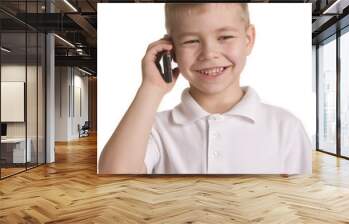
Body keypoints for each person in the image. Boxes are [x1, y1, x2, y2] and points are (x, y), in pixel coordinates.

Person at [98, 3, 312, 174]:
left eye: (225, 37)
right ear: (170, 50)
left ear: (248, 39)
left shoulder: (286, 127)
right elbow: (114, 178)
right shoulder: (151, 129)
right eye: (191, 41)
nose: (209, 53)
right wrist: (152, 88)